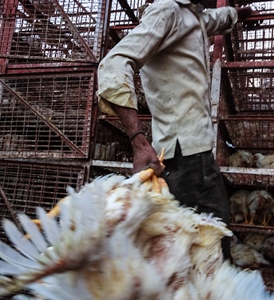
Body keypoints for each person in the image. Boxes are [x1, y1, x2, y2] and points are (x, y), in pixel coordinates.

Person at [97, 0, 255, 260]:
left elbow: (213, 19)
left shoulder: (191, 15)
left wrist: (238, 14)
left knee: (195, 249)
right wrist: (137, 140)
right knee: (210, 251)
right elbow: (114, 62)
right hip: (186, 160)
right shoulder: (167, 11)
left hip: (194, 156)